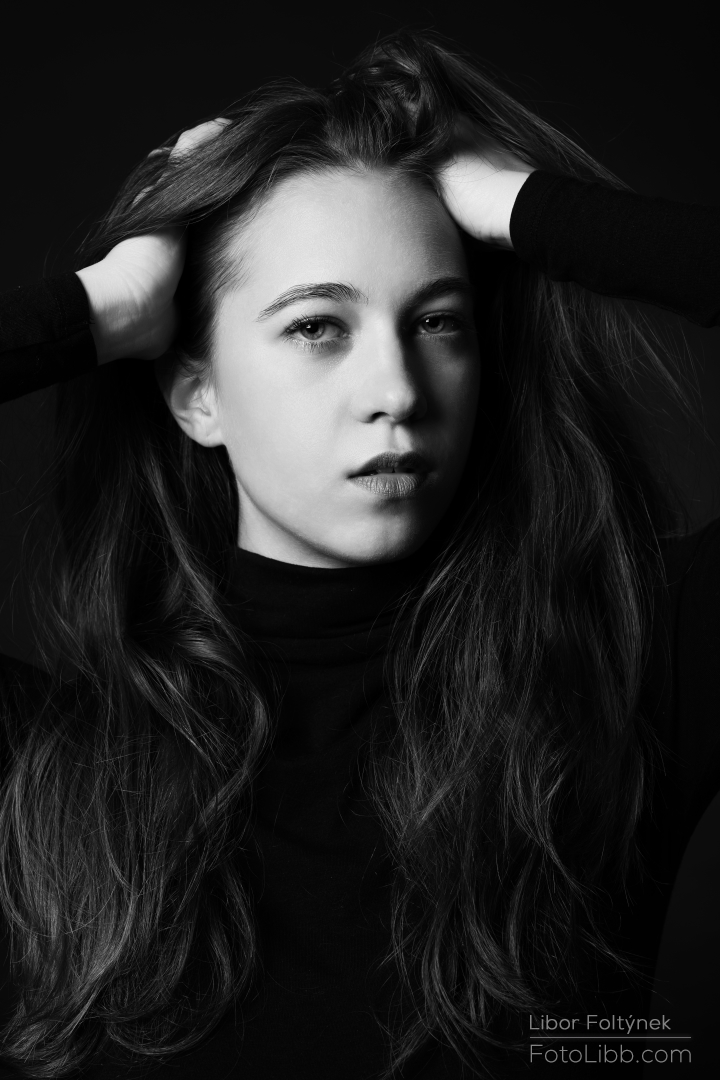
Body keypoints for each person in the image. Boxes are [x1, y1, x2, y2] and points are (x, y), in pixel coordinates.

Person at [0, 28, 718, 1080]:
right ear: (196, 394)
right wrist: (99, 307)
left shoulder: (628, 681)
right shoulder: (46, 767)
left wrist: (522, 203)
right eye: (316, 328)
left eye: (436, 322)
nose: (396, 390)